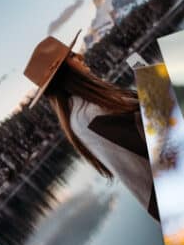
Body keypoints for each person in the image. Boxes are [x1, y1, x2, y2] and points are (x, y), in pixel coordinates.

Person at [23, 33, 158, 220]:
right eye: (71, 56)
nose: (80, 56)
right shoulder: (89, 114)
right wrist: (156, 82)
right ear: (63, 73)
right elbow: (155, 136)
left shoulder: (82, 112)